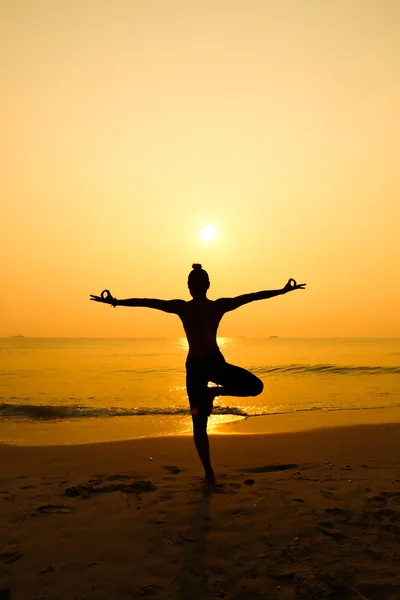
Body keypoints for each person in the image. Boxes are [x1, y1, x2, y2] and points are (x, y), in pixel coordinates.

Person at [90, 264, 306, 483]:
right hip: (207, 365)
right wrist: (281, 291)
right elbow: (250, 297)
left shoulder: (187, 307)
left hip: (199, 366)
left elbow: (149, 302)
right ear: (205, 285)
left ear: (191, 286)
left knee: (207, 418)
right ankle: (209, 463)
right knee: (234, 400)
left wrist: (116, 302)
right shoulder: (212, 307)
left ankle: (210, 459)